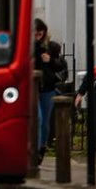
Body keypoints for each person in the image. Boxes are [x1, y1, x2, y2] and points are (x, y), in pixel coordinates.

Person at [33, 18, 67, 158]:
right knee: (38, 118)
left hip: (47, 88)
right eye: (35, 33)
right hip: (32, 88)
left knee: (45, 122)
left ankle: (41, 148)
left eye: (40, 33)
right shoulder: (26, 45)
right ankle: (34, 150)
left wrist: (50, 60)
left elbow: (61, 66)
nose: (38, 35)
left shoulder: (52, 47)